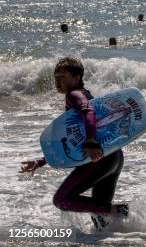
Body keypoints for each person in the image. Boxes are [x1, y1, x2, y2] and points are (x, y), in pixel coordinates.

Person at [19, 57, 128, 231]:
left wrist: (91, 141)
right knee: (101, 220)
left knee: (62, 200)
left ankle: (119, 210)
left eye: (63, 76)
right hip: (113, 156)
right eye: (56, 77)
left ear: (77, 78)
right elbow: (69, 142)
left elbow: (88, 111)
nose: (58, 81)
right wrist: (41, 161)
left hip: (98, 159)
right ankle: (126, 232)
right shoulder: (84, 93)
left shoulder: (74, 95)